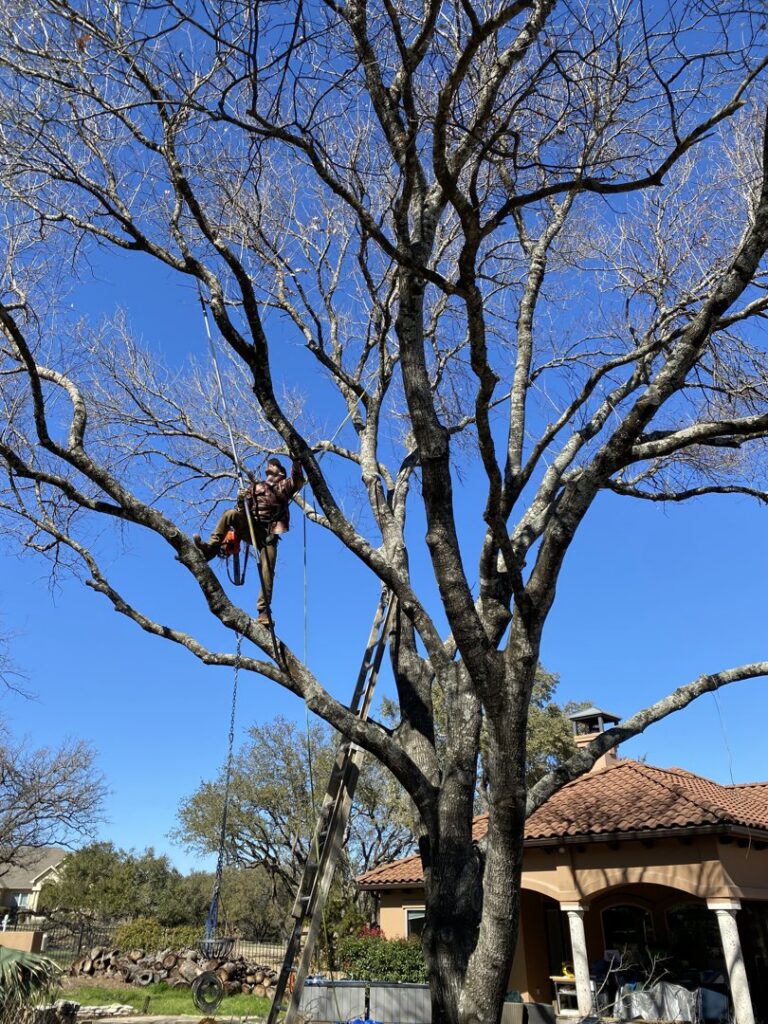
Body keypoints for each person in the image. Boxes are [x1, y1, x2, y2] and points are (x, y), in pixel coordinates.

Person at [194, 457, 304, 624]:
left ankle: (263, 611)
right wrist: (241, 499)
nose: (269, 467)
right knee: (230, 514)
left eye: (273, 466)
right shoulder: (255, 487)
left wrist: (296, 461)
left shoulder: (284, 485)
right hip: (250, 526)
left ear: (280, 472)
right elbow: (241, 510)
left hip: (268, 536)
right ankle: (211, 549)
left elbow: (297, 481)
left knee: (268, 570)